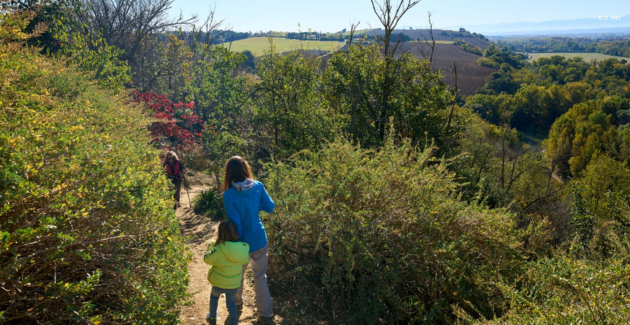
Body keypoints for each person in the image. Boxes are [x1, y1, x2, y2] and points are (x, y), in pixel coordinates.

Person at [222, 156, 275, 325]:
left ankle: (236, 306)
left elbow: (235, 222)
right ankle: (265, 314)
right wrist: (254, 206)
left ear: (228, 172)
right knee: (260, 277)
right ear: (246, 168)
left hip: (240, 244)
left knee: (237, 276)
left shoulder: (229, 194)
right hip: (259, 238)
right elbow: (270, 207)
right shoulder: (258, 186)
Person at [203, 221, 250, 325]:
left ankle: (212, 318)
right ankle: (234, 323)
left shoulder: (218, 248)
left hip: (218, 282)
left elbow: (206, 259)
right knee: (231, 304)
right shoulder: (242, 247)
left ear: (220, 233)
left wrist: (211, 246)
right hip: (233, 284)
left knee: (214, 298)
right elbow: (245, 260)